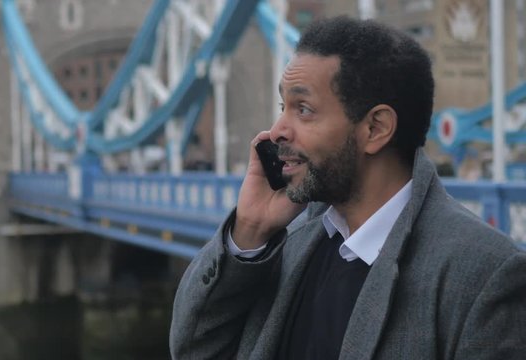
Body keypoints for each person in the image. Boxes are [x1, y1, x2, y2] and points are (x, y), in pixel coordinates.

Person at [170, 16, 526, 360]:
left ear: (375, 129)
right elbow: (194, 351)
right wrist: (250, 230)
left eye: (303, 109)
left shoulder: (483, 274)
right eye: (283, 106)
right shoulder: (286, 244)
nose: (277, 130)